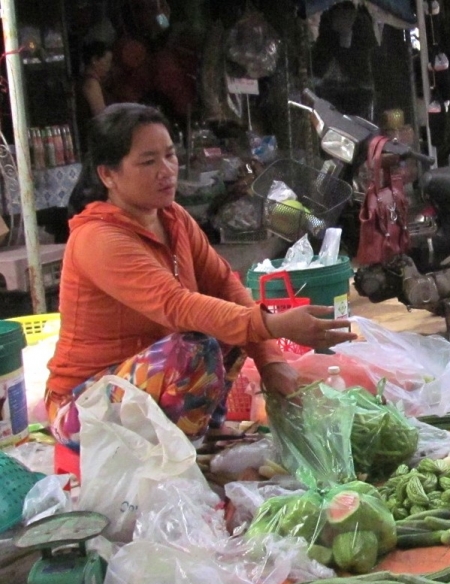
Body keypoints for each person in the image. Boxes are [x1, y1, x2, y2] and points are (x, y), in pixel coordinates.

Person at [45, 103, 356, 452]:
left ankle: (201, 434)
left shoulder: (173, 218)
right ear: (108, 175)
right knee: (197, 346)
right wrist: (276, 326)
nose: (166, 171)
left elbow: (225, 286)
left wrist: (271, 361)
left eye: (169, 156)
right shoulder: (98, 239)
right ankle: (186, 452)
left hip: (145, 384)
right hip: (81, 407)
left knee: (228, 322)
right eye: (148, 162)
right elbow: (177, 306)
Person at [78, 41, 114, 118]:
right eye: (107, 62)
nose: (109, 66)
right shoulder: (91, 84)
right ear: (94, 60)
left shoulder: (91, 81)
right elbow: (101, 116)